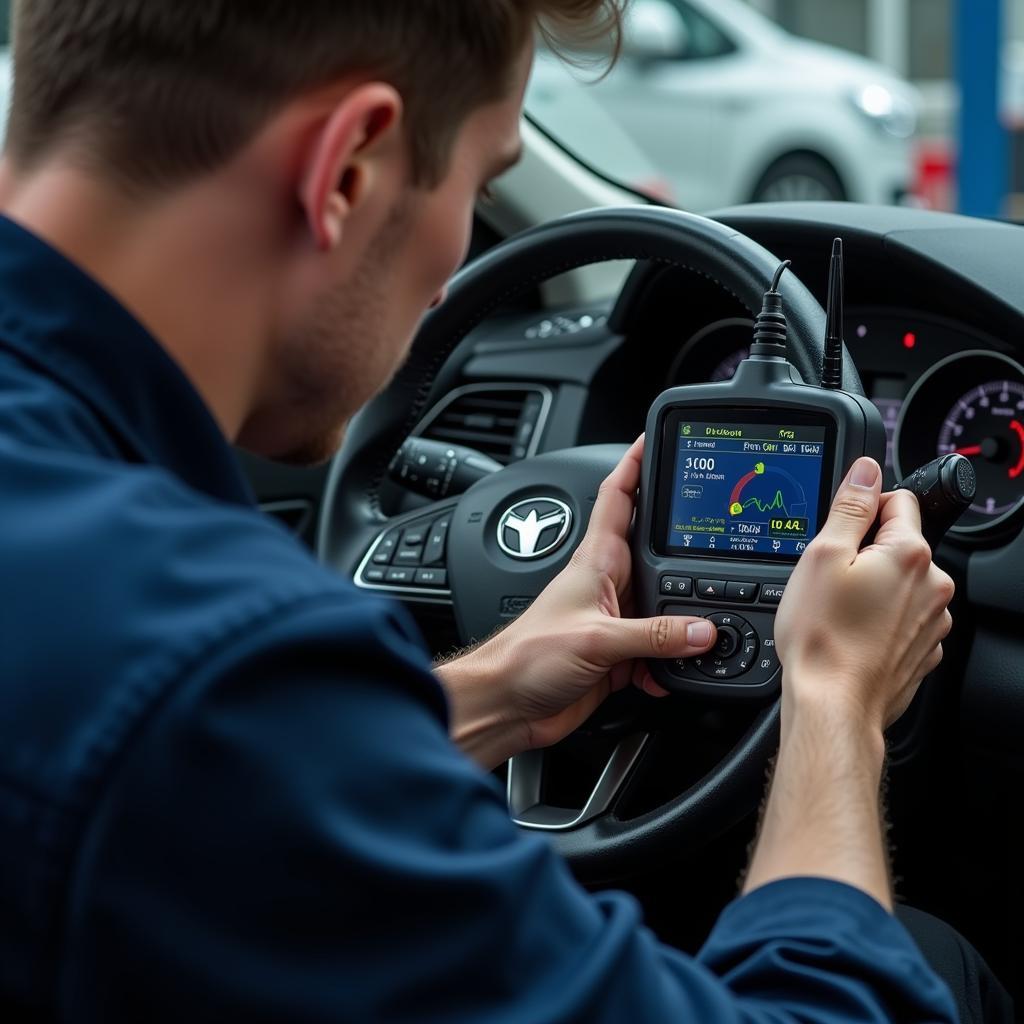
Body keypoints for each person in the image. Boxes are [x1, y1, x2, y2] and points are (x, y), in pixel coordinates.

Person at [0, 2, 1011, 1021]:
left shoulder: (139, 637)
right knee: (930, 954)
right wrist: (833, 696)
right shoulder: (218, 665)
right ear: (346, 168)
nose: (452, 270)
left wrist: (492, 692)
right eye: (482, 185)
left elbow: (199, 807)